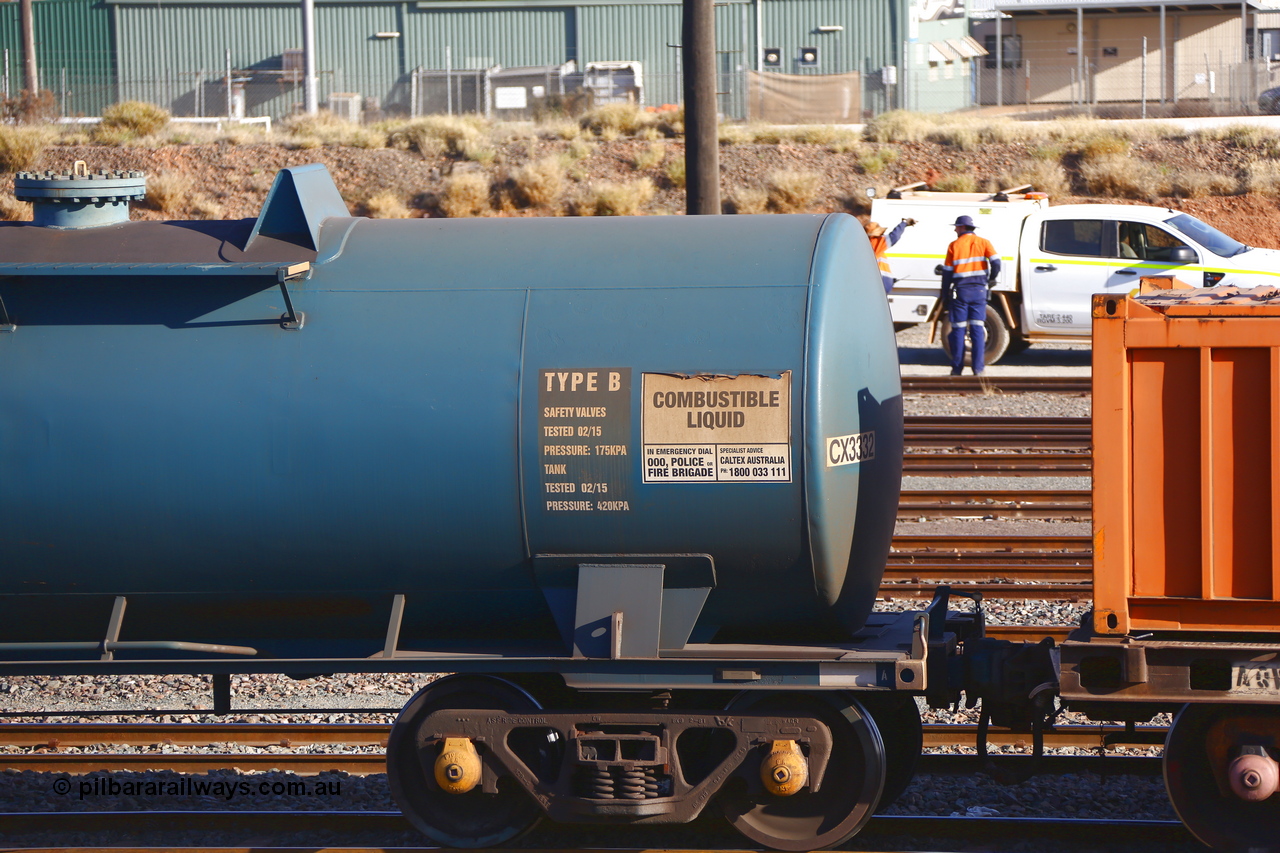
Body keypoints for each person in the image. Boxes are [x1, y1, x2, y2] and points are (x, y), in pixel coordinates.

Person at [940, 214, 1001, 376]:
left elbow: (947, 273)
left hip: (961, 292)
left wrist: (944, 295)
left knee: (958, 330)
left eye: (956, 227)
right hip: (979, 291)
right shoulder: (984, 242)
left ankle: (957, 368)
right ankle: (978, 369)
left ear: (961, 227)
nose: (954, 229)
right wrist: (991, 279)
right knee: (977, 329)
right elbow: (996, 262)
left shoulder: (954, 245)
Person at [867, 218, 916, 294]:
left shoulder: (866, 246)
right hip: (881, 282)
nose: (882, 235)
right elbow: (894, 236)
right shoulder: (875, 242)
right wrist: (904, 224)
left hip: (879, 282)